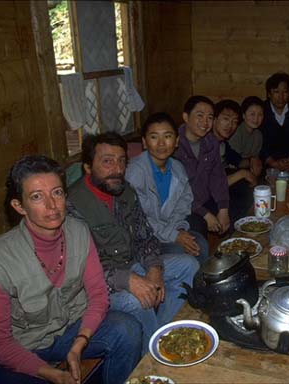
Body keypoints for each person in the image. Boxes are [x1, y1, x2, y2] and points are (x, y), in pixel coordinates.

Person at [0, 155, 141, 384]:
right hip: (14, 348)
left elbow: (98, 295)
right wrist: (53, 374)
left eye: (57, 192)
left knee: (128, 330)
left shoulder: (78, 232)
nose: (51, 205)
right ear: (19, 206)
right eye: (37, 197)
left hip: (65, 331)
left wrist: (79, 344)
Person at [67, 133, 199, 355]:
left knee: (189, 265)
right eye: (107, 161)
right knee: (137, 300)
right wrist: (128, 280)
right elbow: (77, 270)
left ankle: (162, 335)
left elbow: (144, 235)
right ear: (87, 167)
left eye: (121, 161)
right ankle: (156, 357)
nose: (117, 169)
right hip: (97, 286)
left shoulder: (125, 191)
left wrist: (154, 268)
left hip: (131, 265)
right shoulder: (73, 205)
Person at [125, 112, 210, 264]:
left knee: (200, 244)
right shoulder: (135, 172)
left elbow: (184, 204)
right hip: (142, 238)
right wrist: (174, 236)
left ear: (176, 141)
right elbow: (140, 219)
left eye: (167, 136)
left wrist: (180, 231)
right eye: (154, 137)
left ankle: (199, 286)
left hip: (169, 230)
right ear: (144, 142)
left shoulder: (177, 168)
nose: (161, 143)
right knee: (182, 253)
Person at [174, 95, 230, 238]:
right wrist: (205, 214)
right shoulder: (174, 145)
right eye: (200, 116)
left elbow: (217, 176)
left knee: (234, 209)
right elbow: (178, 192)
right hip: (181, 207)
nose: (205, 122)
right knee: (198, 227)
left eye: (210, 117)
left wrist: (223, 209)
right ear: (186, 117)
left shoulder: (211, 141)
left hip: (204, 200)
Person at [212, 99, 257, 224]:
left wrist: (253, 160)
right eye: (226, 119)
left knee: (248, 188)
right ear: (214, 119)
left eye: (235, 122)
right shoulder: (206, 143)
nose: (230, 125)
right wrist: (242, 173)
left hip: (220, 184)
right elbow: (210, 186)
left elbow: (237, 160)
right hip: (205, 195)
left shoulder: (222, 142)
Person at [260, 72, 289, 173]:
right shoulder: (261, 111)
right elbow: (258, 142)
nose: (281, 97)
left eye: (285, 92)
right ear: (269, 94)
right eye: (276, 92)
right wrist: (272, 162)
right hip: (269, 162)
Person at [228, 96, 265, 178]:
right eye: (252, 114)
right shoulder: (237, 131)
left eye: (260, 114)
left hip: (249, 170)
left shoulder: (258, 135)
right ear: (244, 115)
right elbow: (233, 162)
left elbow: (256, 158)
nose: (256, 119)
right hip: (232, 172)